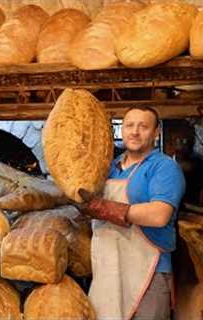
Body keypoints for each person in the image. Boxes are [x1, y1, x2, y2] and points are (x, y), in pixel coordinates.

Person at [78, 106, 186, 320]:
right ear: (122, 130)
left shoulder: (163, 167)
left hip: (149, 271)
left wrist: (105, 208)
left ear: (156, 132)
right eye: (129, 125)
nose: (135, 132)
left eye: (143, 126)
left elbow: (159, 215)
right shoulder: (109, 167)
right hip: (109, 268)